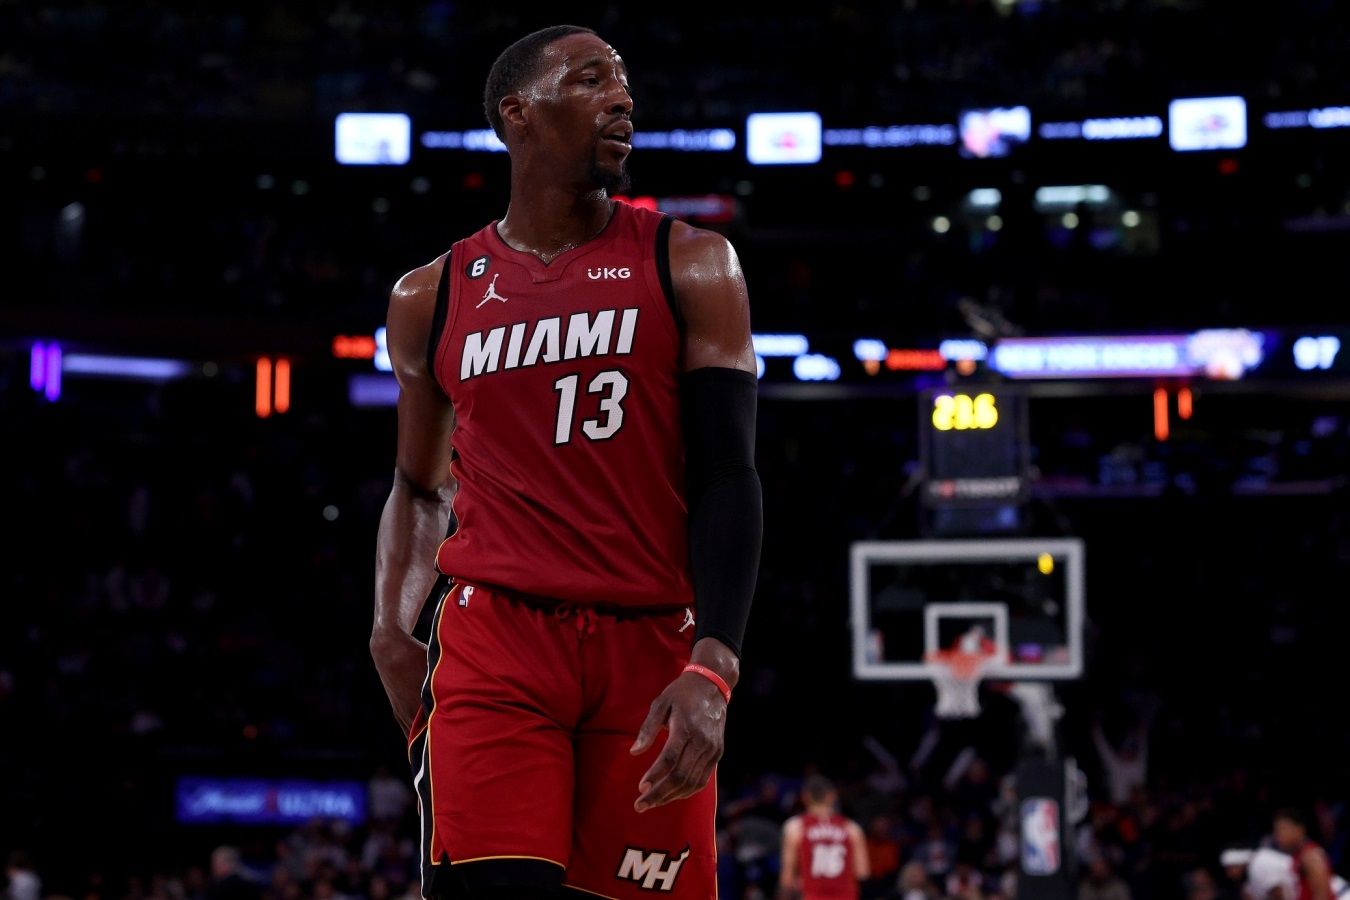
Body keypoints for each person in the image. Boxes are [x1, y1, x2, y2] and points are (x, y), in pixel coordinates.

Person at [370, 23, 762, 900]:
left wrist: (715, 664)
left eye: (622, 84)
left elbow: (728, 477)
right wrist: (392, 630)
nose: (622, 99)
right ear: (518, 113)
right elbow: (418, 485)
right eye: (590, 81)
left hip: (647, 642)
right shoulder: (430, 295)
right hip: (497, 639)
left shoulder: (693, 264)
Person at [779, 776, 870, 900]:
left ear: (805, 796)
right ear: (832, 796)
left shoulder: (795, 827)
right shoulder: (852, 828)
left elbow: (787, 877)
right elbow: (863, 872)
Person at [1269, 810, 1340, 900]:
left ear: (1299, 829)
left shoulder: (1311, 856)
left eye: (1283, 829)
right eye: (1276, 831)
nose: (1279, 836)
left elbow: (1322, 896)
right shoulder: (1297, 856)